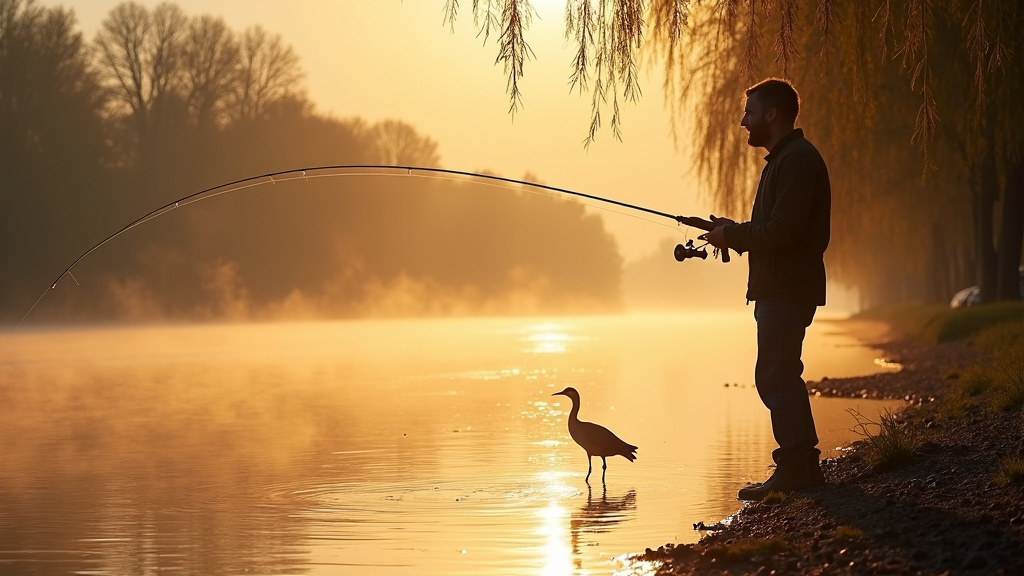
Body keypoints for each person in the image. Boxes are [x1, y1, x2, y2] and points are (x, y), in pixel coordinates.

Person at [704, 78, 832, 501]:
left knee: (776, 374)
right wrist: (729, 230)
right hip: (782, 286)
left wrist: (735, 236)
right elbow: (772, 228)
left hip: (786, 289)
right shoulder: (785, 159)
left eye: (750, 113)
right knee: (780, 373)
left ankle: (796, 467)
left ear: (772, 114)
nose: (744, 122)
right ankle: (804, 468)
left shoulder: (795, 161)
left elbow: (783, 231)